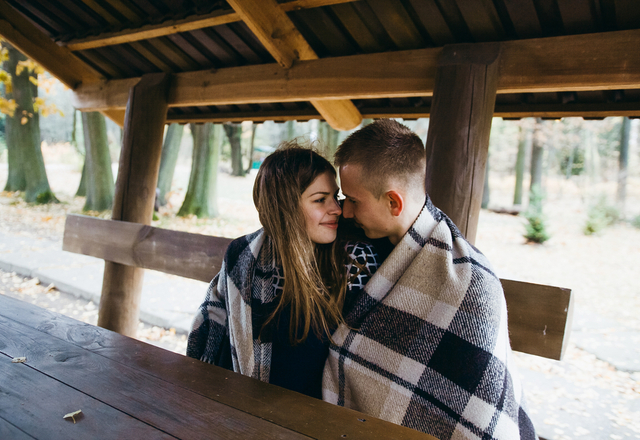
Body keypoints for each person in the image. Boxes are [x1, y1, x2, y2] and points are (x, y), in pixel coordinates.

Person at [322, 119, 537, 440]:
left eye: (354, 201)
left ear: (394, 202)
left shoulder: (469, 280)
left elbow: (483, 413)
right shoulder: (353, 245)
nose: (346, 212)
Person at [186, 143, 378, 399]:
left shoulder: (355, 261)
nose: (337, 209)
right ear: (284, 207)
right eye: (321, 200)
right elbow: (215, 332)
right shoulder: (244, 256)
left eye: (336, 196)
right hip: (251, 406)